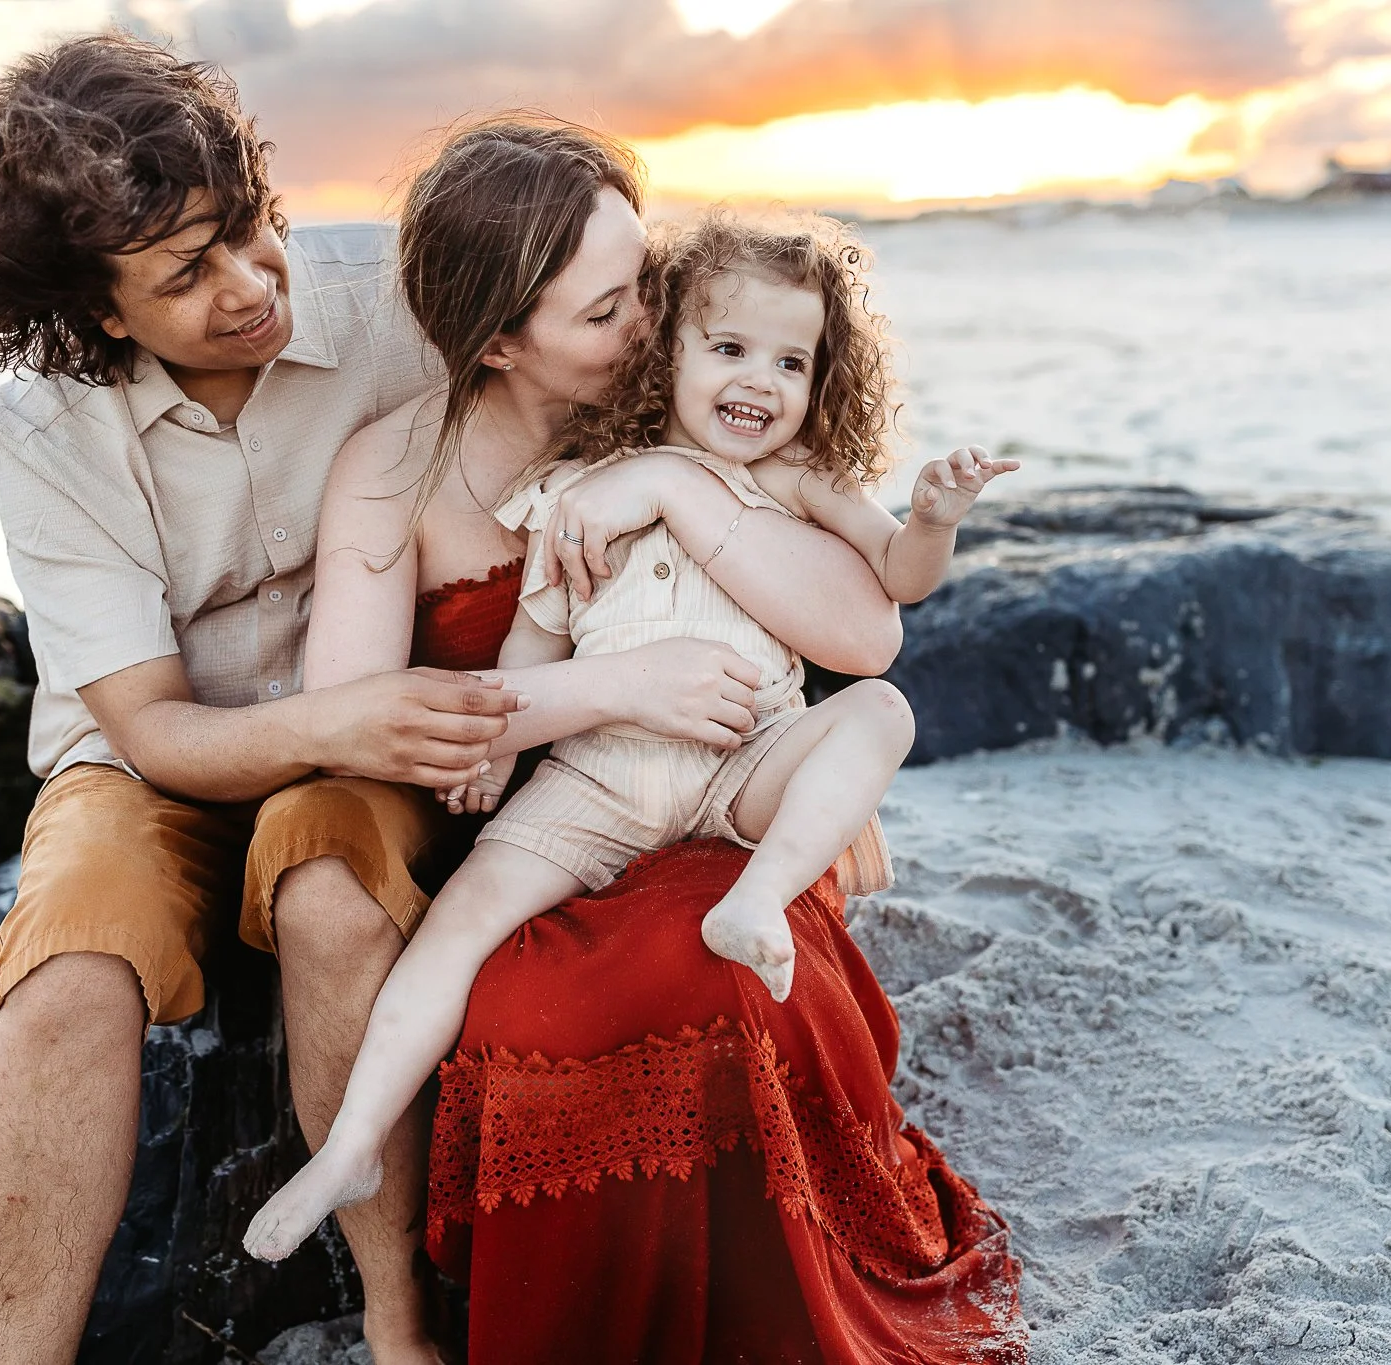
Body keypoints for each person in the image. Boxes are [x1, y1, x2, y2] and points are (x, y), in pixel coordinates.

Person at [0, 37, 788, 1365]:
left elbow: (643, 390)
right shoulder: (43, 433)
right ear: (97, 316)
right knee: (70, 962)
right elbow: (149, 728)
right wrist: (344, 721)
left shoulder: (395, 294)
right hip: (159, 756)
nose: (255, 284)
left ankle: (394, 1320)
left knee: (327, 884)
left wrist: (792, 724)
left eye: (251, 230)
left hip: (383, 725)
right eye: (187, 275)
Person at [299, 119, 1028, 1361]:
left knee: (717, 973)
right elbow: (362, 722)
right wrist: (618, 685)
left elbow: (868, 633)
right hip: (559, 807)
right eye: (608, 308)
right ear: (498, 338)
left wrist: (685, 494)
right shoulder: (400, 467)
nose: (651, 319)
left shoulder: (692, 423)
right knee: (551, 1004)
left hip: (725, 807)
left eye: (646, 281)